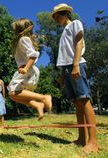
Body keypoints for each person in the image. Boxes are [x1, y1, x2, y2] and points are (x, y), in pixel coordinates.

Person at [50, 3, 98, 153]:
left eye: (57, 16)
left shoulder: (75, 24)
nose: (56, 19)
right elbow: (65, 55)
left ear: (65, 14)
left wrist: (76, 65)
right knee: (77, 103)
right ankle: (82, 138)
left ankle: (93, 142)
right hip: (68, 68)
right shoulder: (64, 31)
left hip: (76, 65)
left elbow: (79, 42)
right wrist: (63, 73)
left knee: (84, 99)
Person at [8, 18, 52, 121]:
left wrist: (26, 69)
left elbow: (32, 56)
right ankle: (38, 105)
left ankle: (44, 98)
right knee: (13, 95)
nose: (14, 31)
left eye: (16, 29)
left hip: (27, 70)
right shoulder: (22, 40)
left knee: (13, 92)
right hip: (25, 70)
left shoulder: (23, 39)